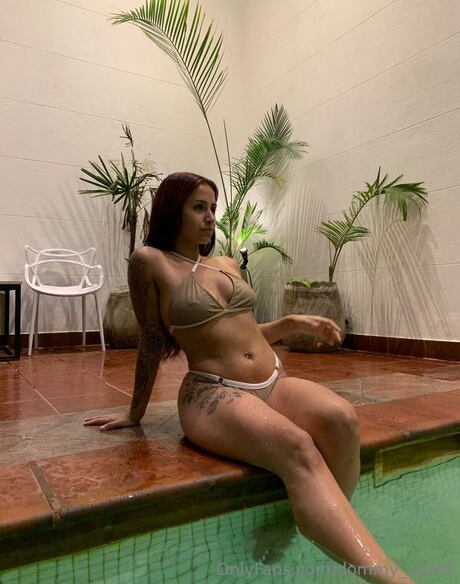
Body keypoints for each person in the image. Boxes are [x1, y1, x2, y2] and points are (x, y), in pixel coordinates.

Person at [85, 172, 413, 583]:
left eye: (212, 208)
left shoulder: (225, 263)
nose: (210, 217)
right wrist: (135, 413)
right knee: (297, 446)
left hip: (273, 381)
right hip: (213, 392)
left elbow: (244, 332)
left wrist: (292, 323)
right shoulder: (149, 261)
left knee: (342, 419)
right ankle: (391, 578)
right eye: (199, 208)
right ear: (172, 211)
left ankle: (302, 525)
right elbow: (151, 341)